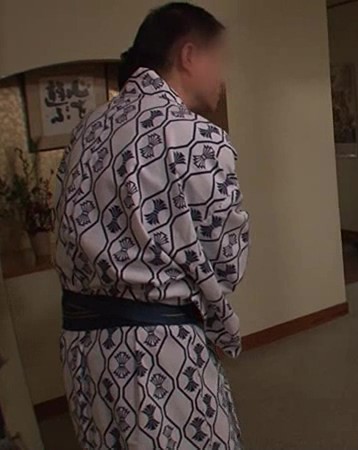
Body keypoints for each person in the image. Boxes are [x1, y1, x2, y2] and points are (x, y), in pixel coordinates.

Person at [55, 3, 249, 449]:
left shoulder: (87, 130)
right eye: (218, 60)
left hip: (84, 352)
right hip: (158, 352)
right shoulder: (198, 138)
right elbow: (227, 262)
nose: (223, 77)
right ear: (188, 55)